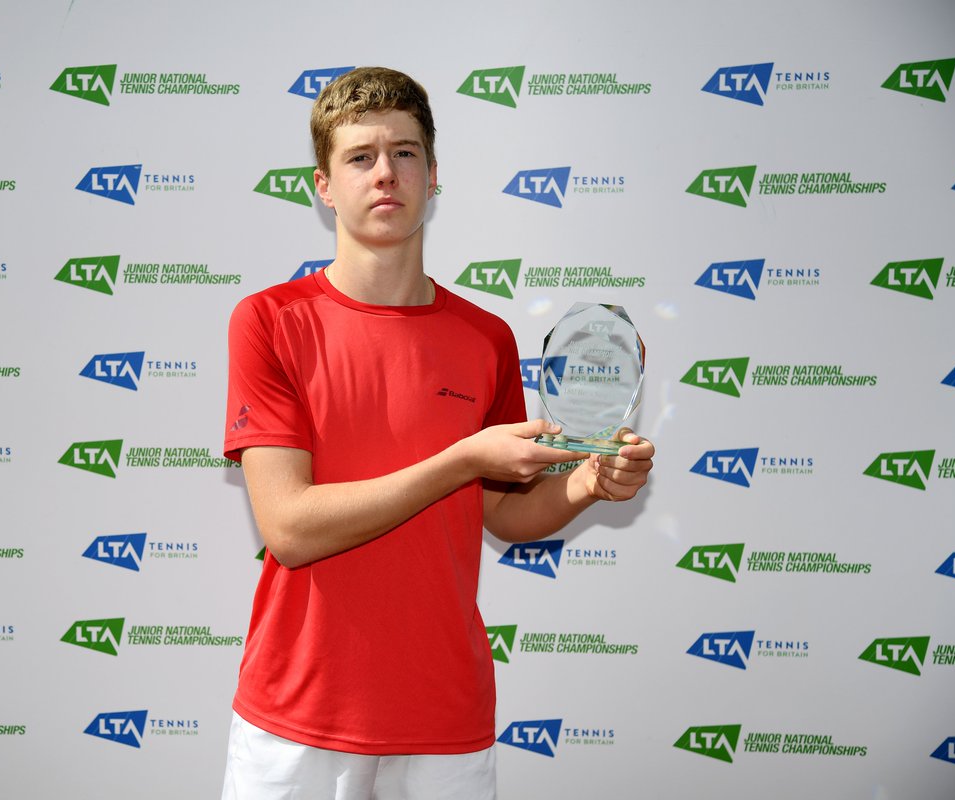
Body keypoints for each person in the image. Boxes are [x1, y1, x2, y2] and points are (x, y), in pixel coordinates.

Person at [221, 66, 653, 800]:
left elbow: (504, 514)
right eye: (360, 157)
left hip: (444, 715)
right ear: (324, 186)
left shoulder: (486, 338)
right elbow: (289, 528)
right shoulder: (269, 321)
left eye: (405, 152)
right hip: (298, 715)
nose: (385, 173)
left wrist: (586, 484)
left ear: (433, 174)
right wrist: (459, 460)